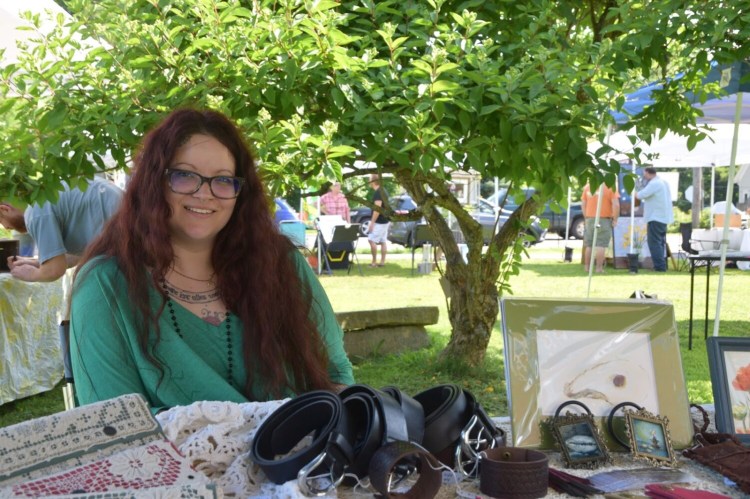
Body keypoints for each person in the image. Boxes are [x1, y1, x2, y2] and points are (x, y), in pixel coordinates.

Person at [69, 109, 354, 412]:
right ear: (153, 182)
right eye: (184, 175)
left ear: (240, 193)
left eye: (223, 180)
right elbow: (113, 423)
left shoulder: (282, 265)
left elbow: (335, 375)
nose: (205, 193)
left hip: (306, 455)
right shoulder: (106, 286)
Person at [0, 178, 124, 282]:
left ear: (5, 209)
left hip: (125, 238)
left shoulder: (35, 213)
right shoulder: (45, 196)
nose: (6, 227)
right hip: (131, 229)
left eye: (1, 221)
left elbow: (54, 270)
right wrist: (39, 263)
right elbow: (76, 257)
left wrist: (31, 274)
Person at [635, 167, 673, 272]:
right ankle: (661, 265)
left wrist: (635, 192)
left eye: (644, 174)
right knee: (659, 242)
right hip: (662, 217)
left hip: (655, 217)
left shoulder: (654, 183)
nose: (644, 176)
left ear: (647, 173)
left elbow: (641, 195)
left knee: (654, 243)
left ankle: (659, 267)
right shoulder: (663, 182)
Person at [581, 182, 620, 273]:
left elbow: (583, 203)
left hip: (589, 218)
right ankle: (599, 268)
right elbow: (616, 204)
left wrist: (586, 217)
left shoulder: (588, 186)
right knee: (601, 245)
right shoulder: (611, 187)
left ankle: (586, 268)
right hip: (604, 219)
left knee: (589, 245)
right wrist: (615, 219)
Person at [367, 174, 390, 267]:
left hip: (379, 221)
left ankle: (374, 262)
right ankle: (382, 262)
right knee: (383, 241)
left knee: (371, 240)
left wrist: (372, 223)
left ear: (373, 181)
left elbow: (377, 209)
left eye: (369, 180)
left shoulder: (378, 192)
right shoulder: (384, 190)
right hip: (385, 220)